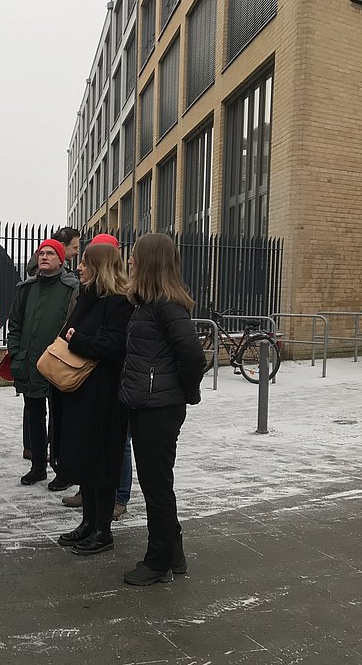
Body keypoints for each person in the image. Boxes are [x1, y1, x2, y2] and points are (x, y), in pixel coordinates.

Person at [118, 232, 205, 586]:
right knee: (157, 482)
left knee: (156, 485)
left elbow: (194, 356)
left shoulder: (167, 305)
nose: (130, 260)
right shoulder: (146, 303)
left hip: (159, 408)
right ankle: (174, 553)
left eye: (135, 255)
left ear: (150, 261)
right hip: (146, 404)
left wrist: (184, 392)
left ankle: (158, 562)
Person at [52, 237, 132, 555]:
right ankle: (88, 523)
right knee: (85, 459)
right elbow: (66, 333)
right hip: (79, 391)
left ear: (99, 266)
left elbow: (113, 346)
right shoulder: (87, 295)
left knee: (103, 462)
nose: (79, 267)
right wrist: (76, 338)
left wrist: (79, 340)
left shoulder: (119, 301)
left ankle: (103, 530)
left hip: (105, 396)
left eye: (85, 262)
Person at [7, 239, 79, 488]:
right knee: (35, 416)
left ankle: (63, 470)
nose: (44, 256)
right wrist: (16, 353)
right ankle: (38, 466)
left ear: (61, 260)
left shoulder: (72, 289)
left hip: (59, 364)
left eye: (50, 253)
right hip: (30, 362)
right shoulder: (26, 289)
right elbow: (14, 324)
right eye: (41, 253)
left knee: (60, 419)